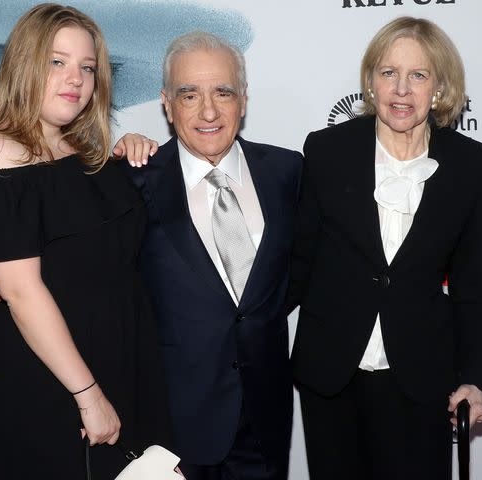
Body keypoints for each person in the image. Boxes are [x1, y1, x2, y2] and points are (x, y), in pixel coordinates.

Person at [0, 4, 171, 479]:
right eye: (56, 61)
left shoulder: (86, 154)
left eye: (87, 67)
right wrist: (88, 396)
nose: (76, 78)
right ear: (24, 64)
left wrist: (129, 153)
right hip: (54, 378)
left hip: (120, 357)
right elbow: (23, 293)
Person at [288, 16, 482, 479]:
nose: (402, 89)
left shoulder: (472, 165)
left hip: (422, 380)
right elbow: (298, 264)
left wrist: (476, 377)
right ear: (370, 82)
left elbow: (470, 286)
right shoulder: (326, 151)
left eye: (418, 75)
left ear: (439, 88)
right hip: (331, 377)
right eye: (388, 73)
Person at [116, 32, 302, 479]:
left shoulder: (288, 171)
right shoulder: (128, 182)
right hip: (170, 428)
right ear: (166, 102)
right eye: (189, 94)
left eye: (223, 91)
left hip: (266, 419)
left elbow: (312, 270)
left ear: (243, 99)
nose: (209, 111)